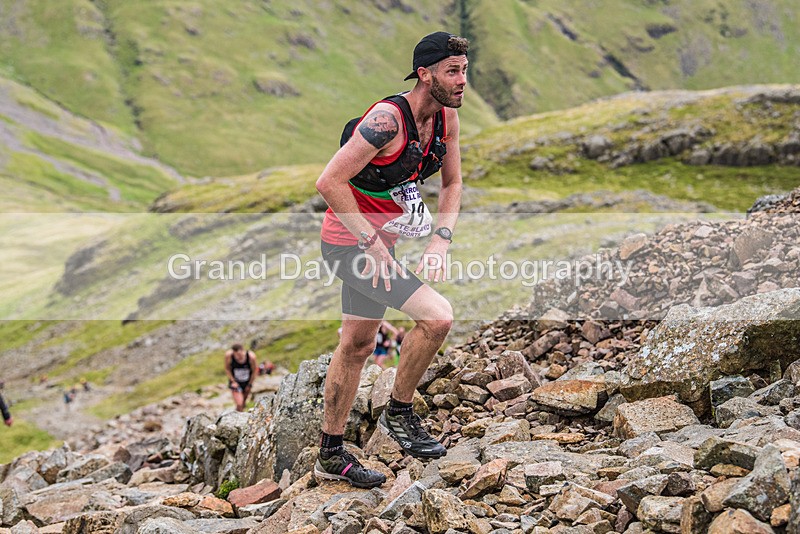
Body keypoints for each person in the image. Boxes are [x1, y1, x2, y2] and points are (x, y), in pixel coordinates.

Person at [314, 31, 467, 488]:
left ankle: (330, 454)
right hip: (350, 245)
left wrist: (440, 241)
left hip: (383, 245)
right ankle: (399, 413)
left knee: (358, 345)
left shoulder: (446, 119)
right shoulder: (386, 121)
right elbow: (329, 181)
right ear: (425, 74)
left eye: (465, 70)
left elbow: (453, 184)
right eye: (452, 71)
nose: (462, 80)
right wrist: (370, 242)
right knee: (437, 318)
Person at [224, 343, 257, 412]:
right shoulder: (229, 355)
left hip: (247, 382)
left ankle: (239, 414)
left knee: (243, 403)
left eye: (240, 355)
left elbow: (254, 371)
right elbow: (227, 369)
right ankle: (237, 415)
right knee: (239, 403)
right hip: (235, 382)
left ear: (243, 351)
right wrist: (233, 381)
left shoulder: (251, 357)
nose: (238, 357)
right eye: (236, 355)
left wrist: (250, 384)